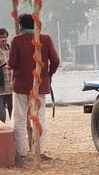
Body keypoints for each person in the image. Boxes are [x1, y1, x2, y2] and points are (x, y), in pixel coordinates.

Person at [8, 14, 60, 161]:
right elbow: (55, 60)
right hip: (39, 85)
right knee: (40, 119)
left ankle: (21, 153)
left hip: (20, 86)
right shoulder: (45, 39)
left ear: (21, 26)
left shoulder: (17, 40)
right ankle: (40, 151)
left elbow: (12, 63)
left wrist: (9, 64)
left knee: (18, 119)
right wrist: (48, 75)